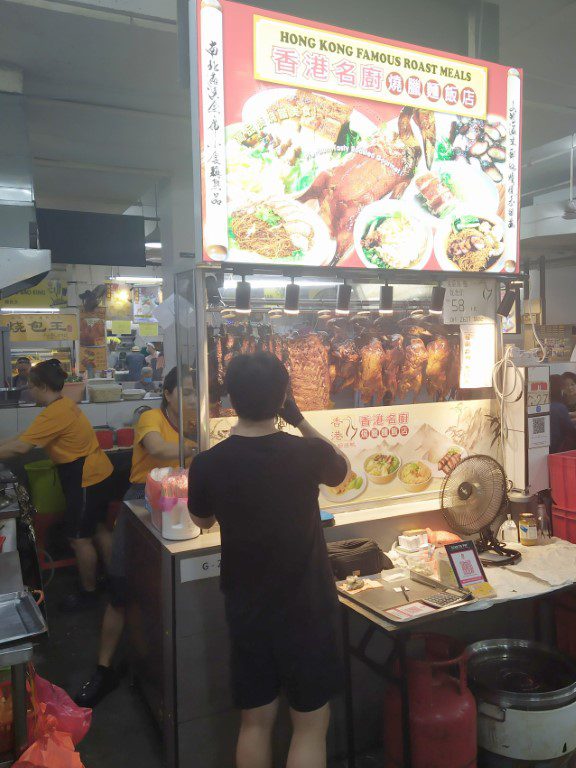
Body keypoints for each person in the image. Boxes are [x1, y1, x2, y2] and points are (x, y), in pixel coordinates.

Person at [188, 352, 349, 768]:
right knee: (310, 724)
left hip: (247, 605)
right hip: (307, 605)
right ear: (282, 397)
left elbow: (201, 519)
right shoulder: (305, 454)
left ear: (230, 399)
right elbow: (340, 469)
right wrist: (297, 419)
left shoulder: (207, 463)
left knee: (255, 722)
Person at [74, 367, 196, 706]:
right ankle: (104, 668)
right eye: (185, 391)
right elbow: (157, 450)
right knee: (121, 585)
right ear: (169, 393)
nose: (192, 399)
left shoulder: (198, 421)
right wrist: (203, 444)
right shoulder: (150, 418)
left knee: (166, 589)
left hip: (187, 500)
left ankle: (158, 663)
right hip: (142, 501)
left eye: (197, 393)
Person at [0, 359, 114, 611]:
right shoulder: (62, 405)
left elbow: (21, 447)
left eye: (31, 385)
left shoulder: (55, 412)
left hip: (85, 477)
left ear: (41, 386)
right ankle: (114, 579)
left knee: (79, 539)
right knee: (98, 529)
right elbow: (23, 436)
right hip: (97, 472)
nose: (28, 390)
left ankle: (89, 593)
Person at [550, 374, 576, 453]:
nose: (569, 388)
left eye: (572, 384)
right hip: (560, 445)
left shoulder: (557, 406)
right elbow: (570, 429)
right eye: (565, 385)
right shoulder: (560, 405)